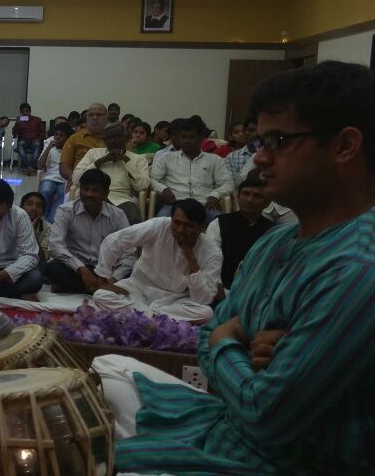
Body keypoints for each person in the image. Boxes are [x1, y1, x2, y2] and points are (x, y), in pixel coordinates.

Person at [106, 61, 375, 475]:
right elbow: (208, 337)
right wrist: (238, 346)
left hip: (280, 461)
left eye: (278, 140)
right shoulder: (277, 241)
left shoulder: (357, 268)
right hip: (227, 424)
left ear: (344, 147)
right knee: (105, 370)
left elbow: (264, 411)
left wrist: (228, 341)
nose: (260, 157)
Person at [92, 199, 222, 322]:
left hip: (175, 300)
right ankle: (155, 317)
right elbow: (115, 240)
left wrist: (190, 256)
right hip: (139, 288)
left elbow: (202, 299)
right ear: (171, 220)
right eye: (176, 223)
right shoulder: (159, 226)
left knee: (206, 313)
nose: (181, 230)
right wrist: (103, 276)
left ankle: (140, 315)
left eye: (188, 226)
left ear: (200, 228)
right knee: (100, 295)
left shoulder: (212, 252)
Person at [44, 169, 133, 294]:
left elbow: (128, 252)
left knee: (133, 270)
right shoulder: (66, 211)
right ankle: (101, 290)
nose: (88, 194)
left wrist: (113, 278)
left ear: (106, 193)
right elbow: (55, 246)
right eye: (85, 189)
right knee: (52, 268)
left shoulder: (118, 215)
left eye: (94, 190)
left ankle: (92, 287)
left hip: (106, 271)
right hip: (75, 269)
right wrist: (81, 269)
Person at [149, 116, 234, 222]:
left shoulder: (215, 160)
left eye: (191, 137)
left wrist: (215, 195)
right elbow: (152, 179)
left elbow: (228, 183)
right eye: (183, 137)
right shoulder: (166, 158)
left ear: (201, 138)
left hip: (204, 205)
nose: (187, 141)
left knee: (221, 224)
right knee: (159, 222)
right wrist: (163, 190)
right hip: (175, 204)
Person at [206, 171, 274, 288]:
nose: (249, 200)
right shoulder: (218, 224)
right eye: (246, 194)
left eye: (257, 196)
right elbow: (209, 263)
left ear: (267, 202)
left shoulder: (274, 232)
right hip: (221, 290)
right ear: (238, 198)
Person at [73, 123, 149, 225]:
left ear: (126, 138)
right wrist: (100, 162)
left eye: (116, 137)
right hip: (94, 196)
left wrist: (126, 161)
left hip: (121, 199)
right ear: (104, 140)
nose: (112, 141)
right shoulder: (93, 153)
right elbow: (76, 179)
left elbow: (142, 186)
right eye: (109, 138)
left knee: (134, 219)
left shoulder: (138, 159)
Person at [60, 103, 107, 180]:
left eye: (99, 115)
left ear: (106, 118)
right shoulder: (74, 138)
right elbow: (64, 167)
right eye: (91, 115)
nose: (95, 118)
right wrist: (76, 180)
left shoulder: (114, 138)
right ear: (87, 118)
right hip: (81, 185)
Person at [36, 122, 72, 222]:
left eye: (61, 135)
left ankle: (51, 220)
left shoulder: (70, 149)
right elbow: (39, 166)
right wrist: (48, 148)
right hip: (49, 177)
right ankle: (42, 218)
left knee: (62, 194)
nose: (57, 137)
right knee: (46, 190)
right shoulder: (50, 147)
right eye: (56, 135)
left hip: (64, 179)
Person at [11, 102, 45, 175]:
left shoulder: (37, 119)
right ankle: (29, 167)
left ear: (30, 111)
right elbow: (14, 134)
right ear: (21, 113)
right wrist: (17, 123)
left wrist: (39, 139)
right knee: (20, 144)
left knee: (37, 144)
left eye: (26, 111)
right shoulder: (20, 121)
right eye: (23, 112)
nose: (25, 113)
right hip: (24, 140)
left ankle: (29, 167)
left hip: (35, 140)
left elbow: (43, 131)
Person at [18, 191, 51, 263]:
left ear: (43, 212)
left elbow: (43, 258)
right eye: (29, 204)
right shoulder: (14, 221)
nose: (34, 208)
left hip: (35, 263)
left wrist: (32, 232)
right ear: (21, 208)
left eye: (39, 206)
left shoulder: (48, 227)